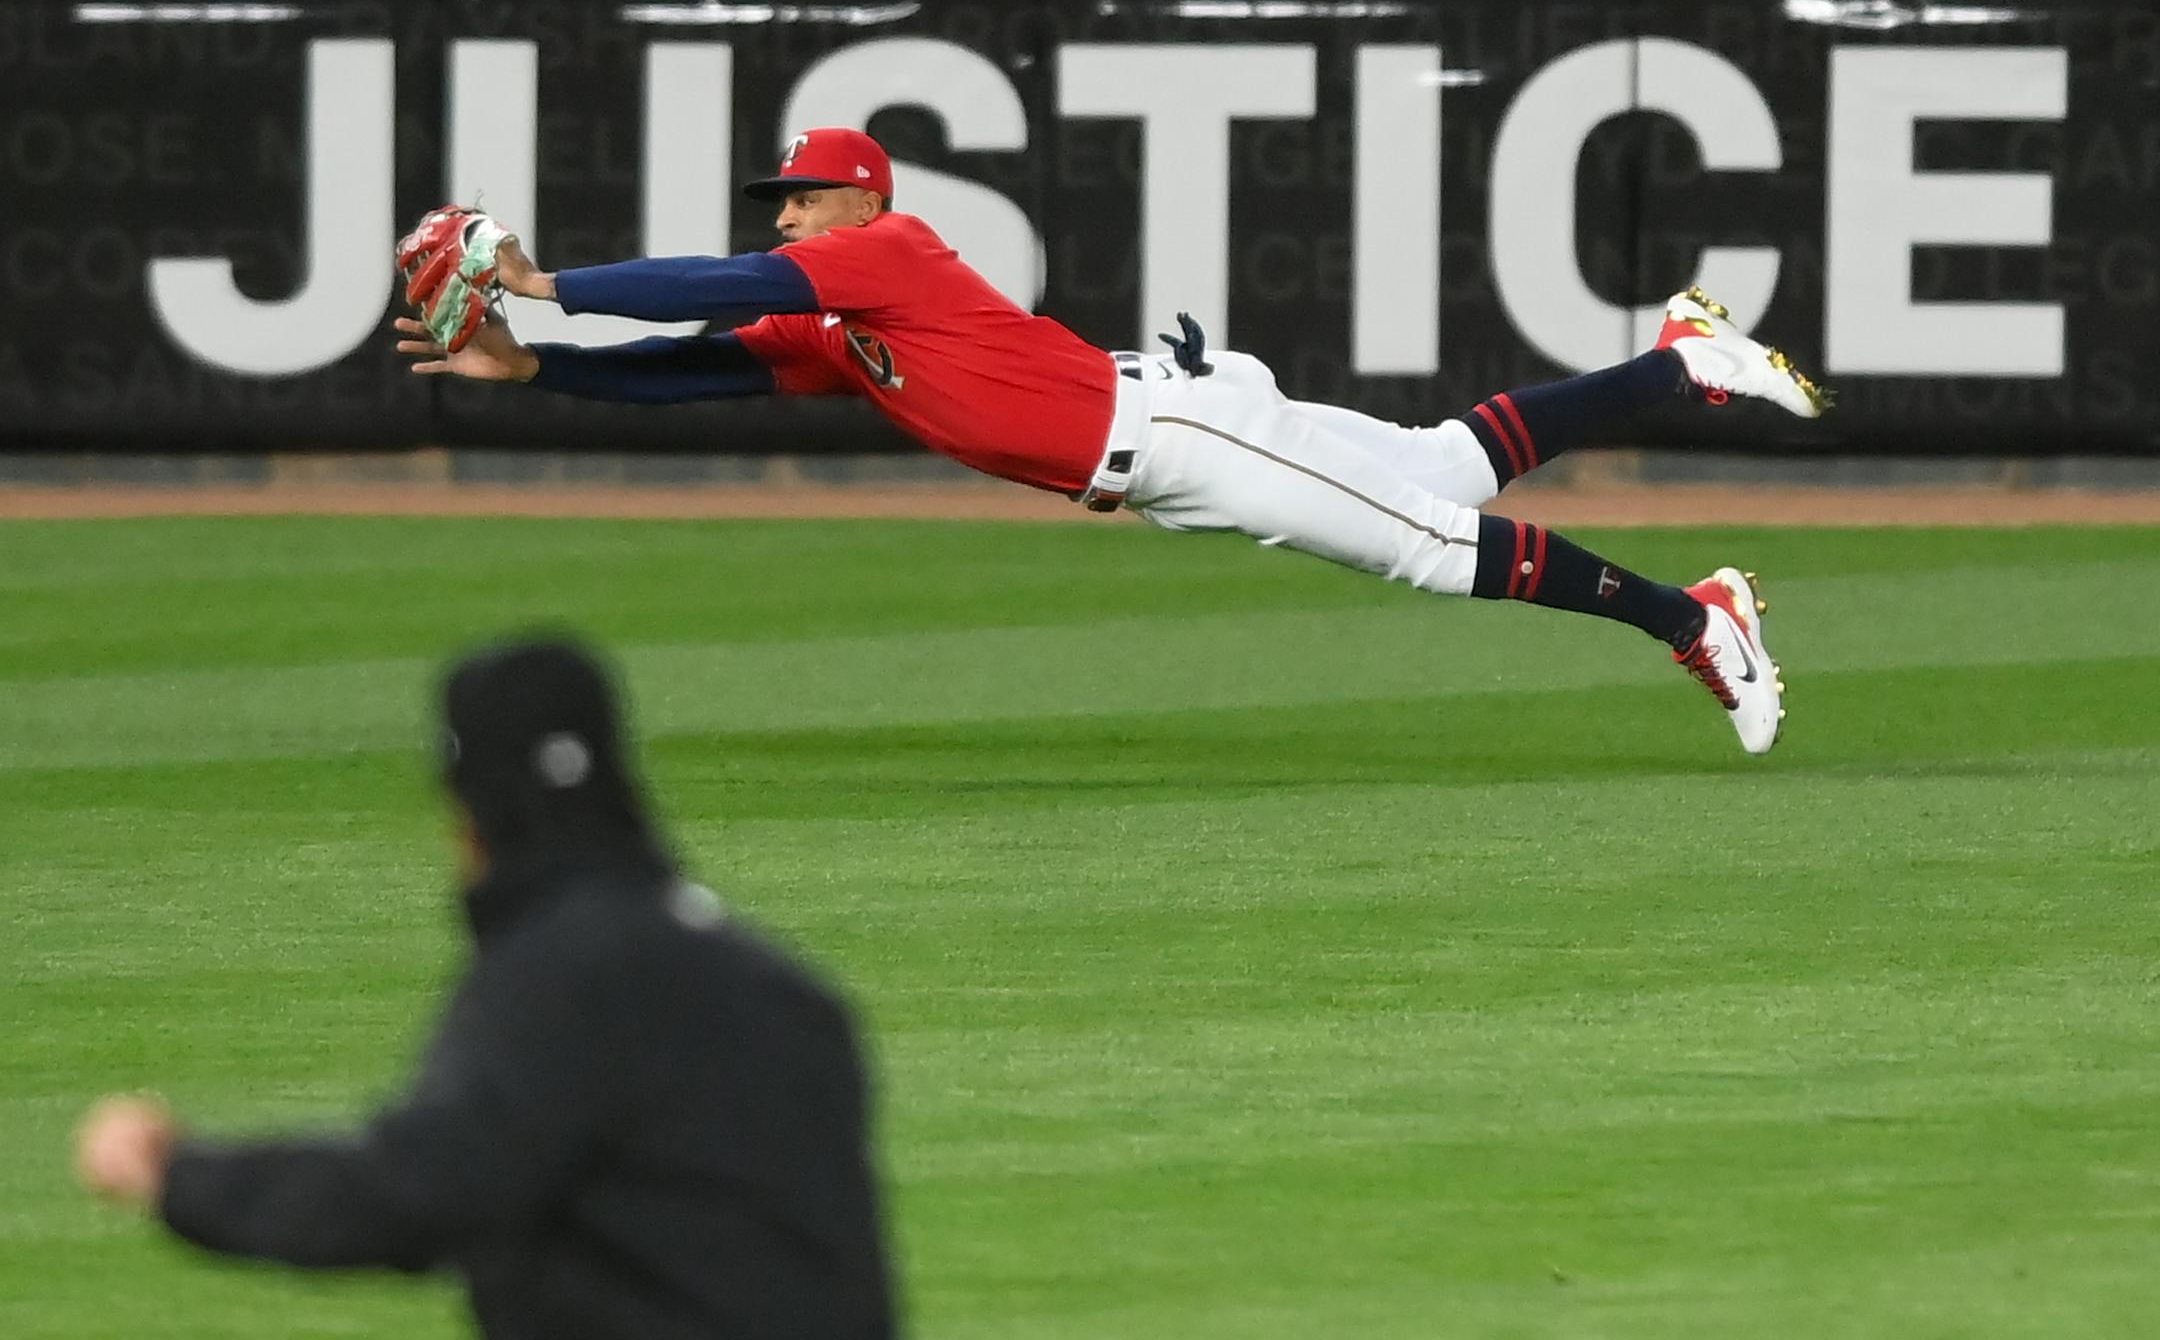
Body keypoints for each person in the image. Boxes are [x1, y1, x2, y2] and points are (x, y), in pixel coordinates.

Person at [394, 129, 1829, 754]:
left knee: (1432, 541)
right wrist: (535, 370)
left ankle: (1691, 619)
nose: (783, 214)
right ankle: (1675, 362)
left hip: (1180, 431)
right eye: (780, 196)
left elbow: (722, 286)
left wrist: (547, 283)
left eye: (801, 195)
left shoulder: (885, 250)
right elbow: (702, 374)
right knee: (1444, 463)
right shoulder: (842, 329)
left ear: (858, 203)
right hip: (1166, 447)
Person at [75, 637, 897, 1340]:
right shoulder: (783, 988)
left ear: (471, 811)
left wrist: (183, 1176)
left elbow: (422, 1190)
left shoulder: (561, 974)